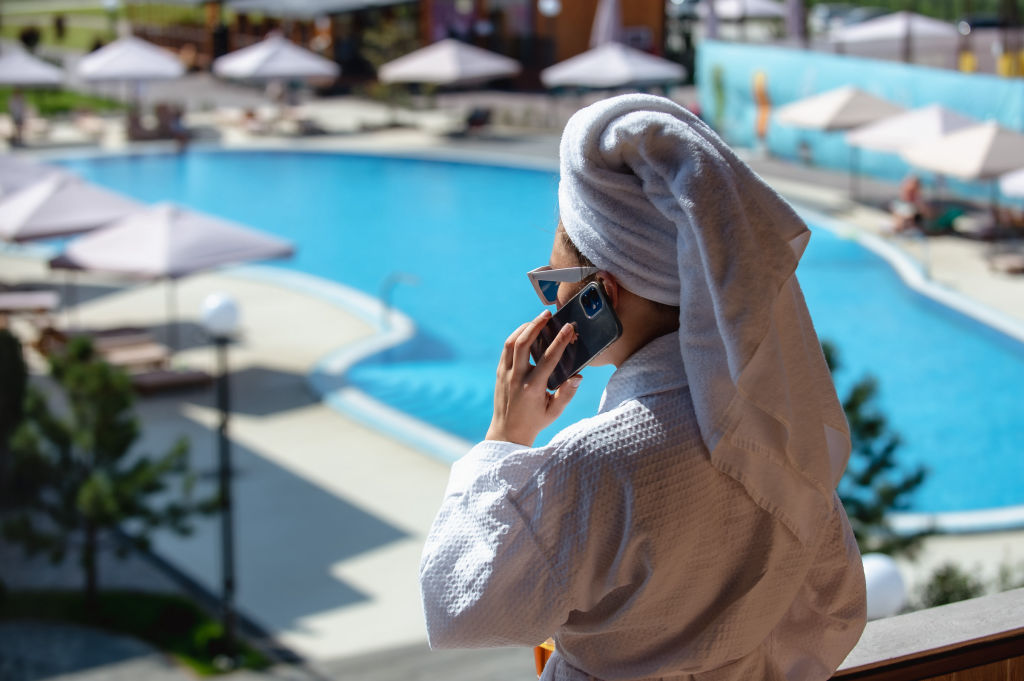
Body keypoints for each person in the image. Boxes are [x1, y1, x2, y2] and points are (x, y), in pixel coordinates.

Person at [419, 94, 867, 681]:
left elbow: (456, 606)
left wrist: (504, 438)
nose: (550, 303)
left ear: (601, 293)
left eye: (555, 283)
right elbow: (836, 604)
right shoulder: (777, 423)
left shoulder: (597, 463)